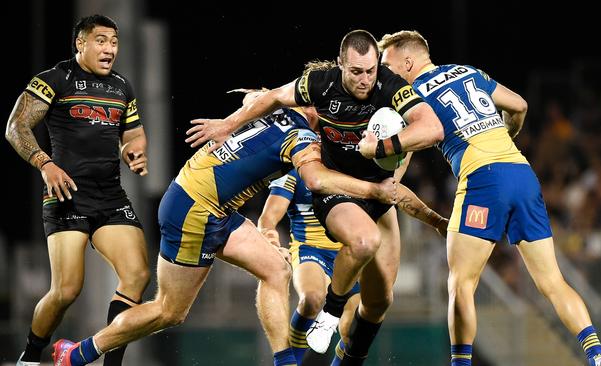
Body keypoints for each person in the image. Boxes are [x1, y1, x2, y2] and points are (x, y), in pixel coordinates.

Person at [51, 89, 398, 366]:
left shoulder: (281, 107)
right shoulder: (303, 138)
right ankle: (79, 354)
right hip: (193, 209)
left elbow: (258, 97)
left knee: (276, 270)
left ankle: (285, 363)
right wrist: (375, 190)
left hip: (214, 206)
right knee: (169, 310)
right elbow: (315, 178)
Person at [184, 30, 445, 364]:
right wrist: (228, 124)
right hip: (339, 196)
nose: (365, 80)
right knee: (345, 263)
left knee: (378, 305)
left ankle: (339, 348)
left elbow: (432, 129)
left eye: (370, 71)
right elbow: (275, 97)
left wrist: (381, 149)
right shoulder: (319, 91)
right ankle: (312, 332)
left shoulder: (391, 86)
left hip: (378, 197)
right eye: (356, 72)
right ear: (341, 65)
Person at [360, 29, 601, 366]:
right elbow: (520, 105)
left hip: (483, 180)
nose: (385, 74)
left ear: (408, 61)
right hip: (522, 174)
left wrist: (383, 171)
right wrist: (509, 133)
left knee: (461, 283)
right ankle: (598, 355)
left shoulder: (410, 95)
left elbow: (403, 160)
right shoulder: (469, 72)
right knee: (553, 282)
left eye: (388, 65)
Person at [5, 14, 150, 366]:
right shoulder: (55, 79)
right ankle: (32, 354)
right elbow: (16, 126)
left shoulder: (121, 87)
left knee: (138, 275)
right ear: (80, 43)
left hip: (111, 196)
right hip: (66, 195)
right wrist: (45, 163)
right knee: (66, 290)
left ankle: (111, 362)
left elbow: (132, 133)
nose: (109, 49)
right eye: (101, 40)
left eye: (114, 42)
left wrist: (135, 150)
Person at [258, 168, 447, 365]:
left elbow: (395, 192)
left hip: (352, 256)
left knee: (351, 332)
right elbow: (269, 216)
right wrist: (271, 242)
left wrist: (437, 221)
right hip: (311, 249)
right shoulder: (298, 168)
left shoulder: (353, 164)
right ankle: (288, 363)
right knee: (312, 299)